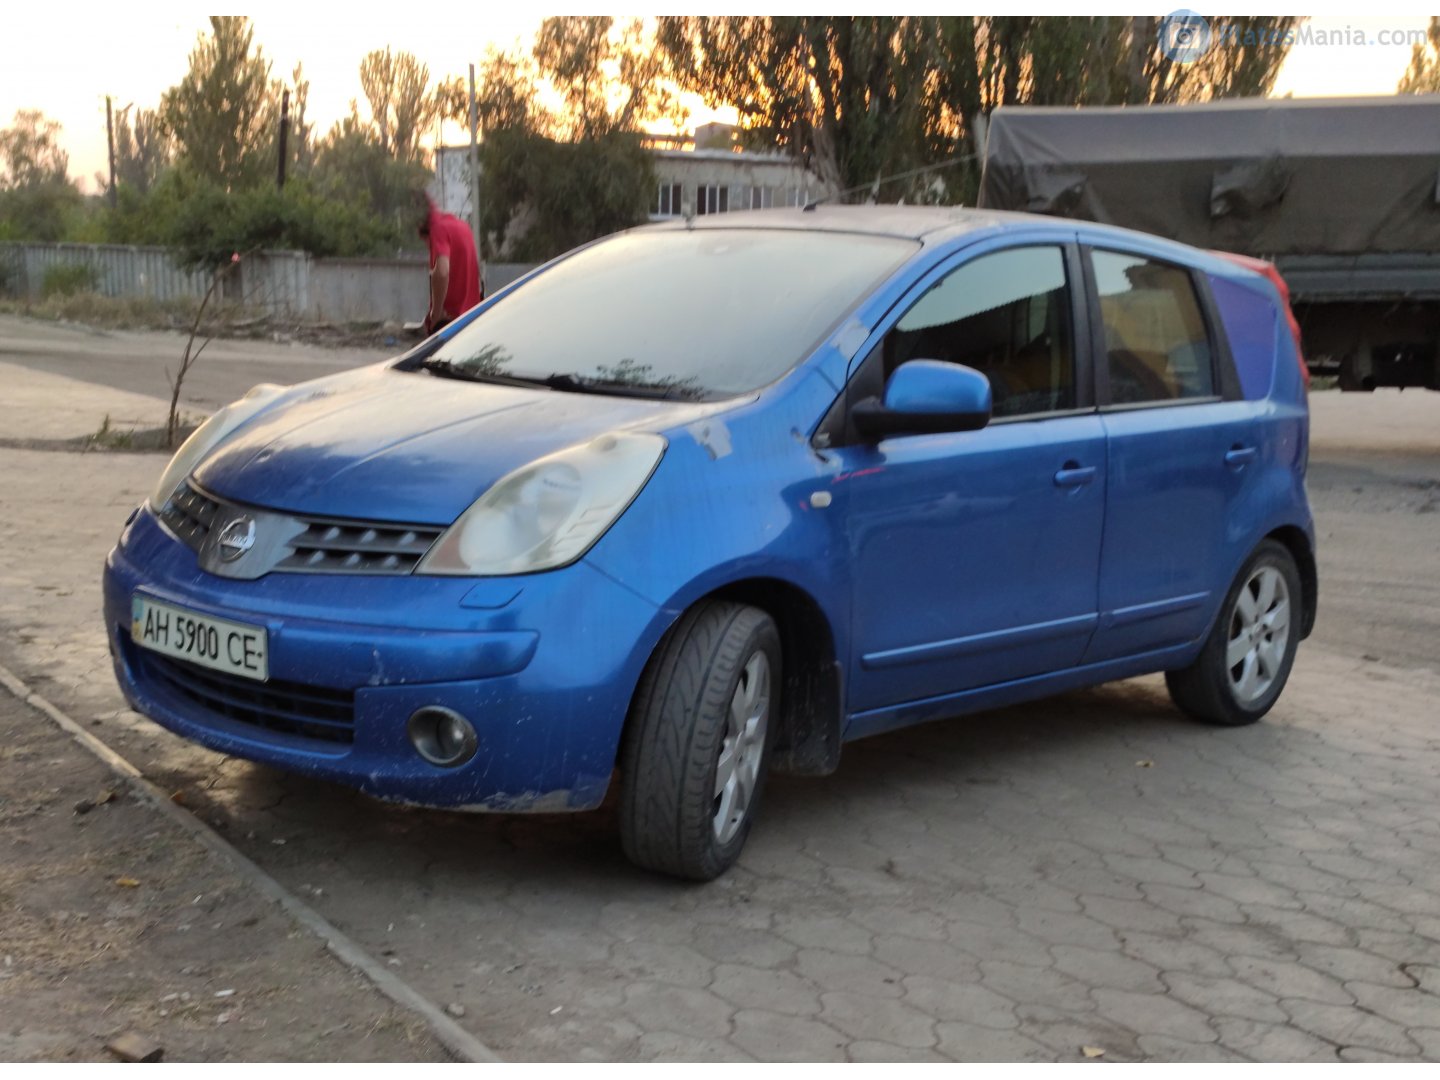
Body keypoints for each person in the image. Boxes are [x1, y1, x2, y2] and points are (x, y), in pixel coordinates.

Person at [416, 193, 483, 334]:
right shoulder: (462, 226)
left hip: (449, 321)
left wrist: (436, 313)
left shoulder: (438, 229)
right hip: (471, 318)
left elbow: (441, 272)